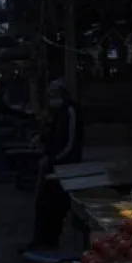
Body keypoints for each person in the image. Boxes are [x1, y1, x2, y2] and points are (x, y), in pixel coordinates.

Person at [25, 79, 83, 251]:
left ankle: (50, 241)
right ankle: (40, 240)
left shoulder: (71, 111)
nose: (53, 99)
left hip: (64, 166)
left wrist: (53, 159)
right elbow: (50, 133)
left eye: (56, 95)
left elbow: (70, 143)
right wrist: (40, 140)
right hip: (50, 163)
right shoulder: (55, 112)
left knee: (57, 206)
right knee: (42, 203)